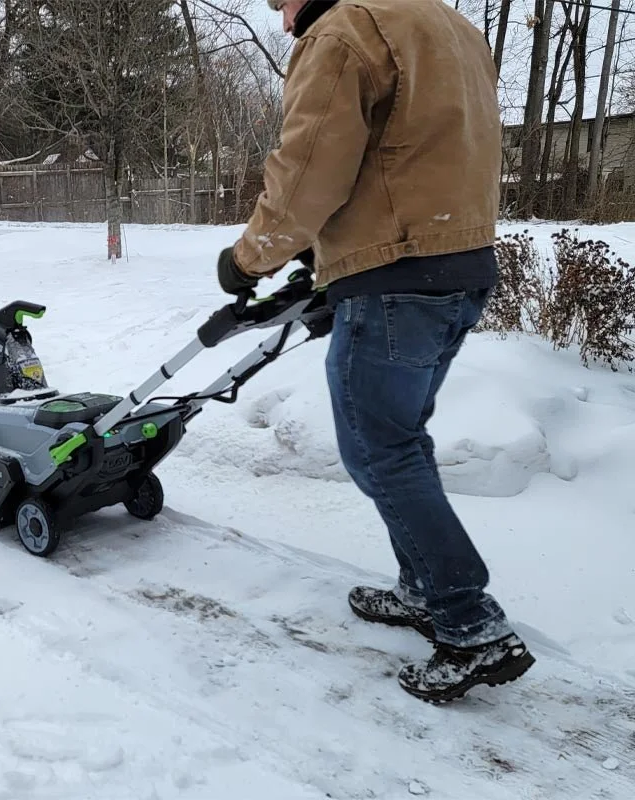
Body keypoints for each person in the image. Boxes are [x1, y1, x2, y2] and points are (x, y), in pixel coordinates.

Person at [215, 0, 535, 703]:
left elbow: (308, 169)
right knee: (401, 438)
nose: (280, 16)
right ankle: (425, 589)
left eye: (282, 1)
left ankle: (469, 622)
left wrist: (250, 258)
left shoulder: (346, 30)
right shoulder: (450, 25)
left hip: (396, 275)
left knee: (376, 448)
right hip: (460, 264)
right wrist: (335, 262)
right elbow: (419, 155)